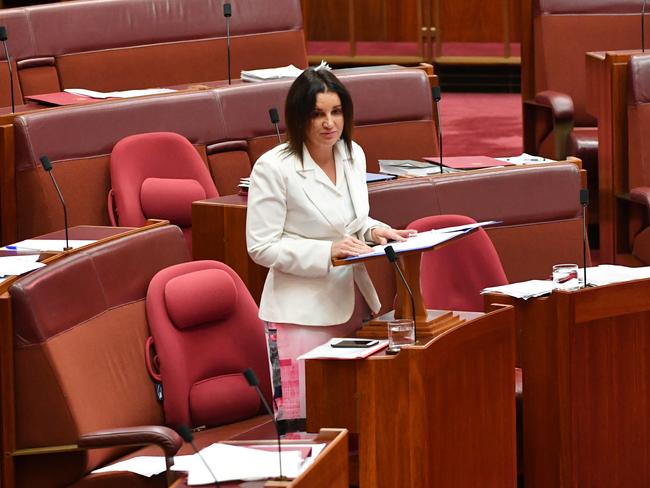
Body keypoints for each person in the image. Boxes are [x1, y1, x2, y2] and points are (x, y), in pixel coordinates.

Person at [246, 67, 415, 420]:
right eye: (318, 114)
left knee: (353, 416)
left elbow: (352, 220)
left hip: (354, 303)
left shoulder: (352, 154)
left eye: (336, 112)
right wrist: (326, 252)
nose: (329, 124)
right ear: (299, 117)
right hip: (301, 315)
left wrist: (375, 232)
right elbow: (262, 246)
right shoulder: (274, 168)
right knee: (307, 422)